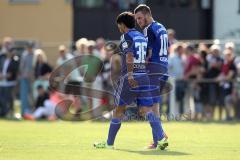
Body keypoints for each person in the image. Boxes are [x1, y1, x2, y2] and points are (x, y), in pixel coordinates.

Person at [93, 11, 168, 150]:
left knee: (118, 111)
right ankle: (161, 137)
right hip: (144, 76)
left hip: (130, 78)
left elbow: (129, 56)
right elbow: (147, 55)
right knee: (146, 110)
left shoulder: (125, 36)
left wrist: (130, 75)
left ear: (122, 24)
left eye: (119, 25)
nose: (118, 27)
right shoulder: (142, 36)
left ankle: (109, 144)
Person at [134, 4, 168, 149]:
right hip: (164, 68)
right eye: (137, 19)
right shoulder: (162, 27)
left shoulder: (148, 29)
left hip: (154, 69)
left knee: (145, 107)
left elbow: (147, 53)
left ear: (147, 15)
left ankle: (160, 137)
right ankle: (158, 140)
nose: (139, 22)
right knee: (155, 106)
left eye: (140, 18)